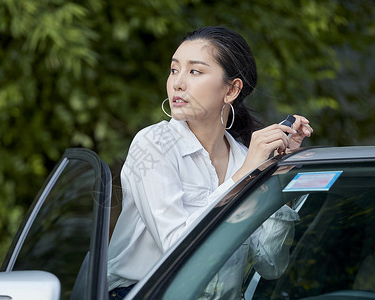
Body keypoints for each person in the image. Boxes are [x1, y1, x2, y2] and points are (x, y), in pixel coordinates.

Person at [107, 26, 313, 299]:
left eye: (195, 71)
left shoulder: (244, 157)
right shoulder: (153, 144)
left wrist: (278, 178)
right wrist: (243, 177)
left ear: (231, 90)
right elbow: (176, 249)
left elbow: (272, 265)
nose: (178, 83)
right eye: (174, 69)